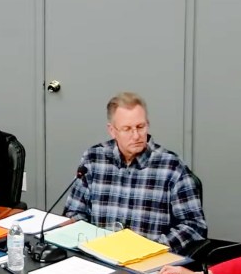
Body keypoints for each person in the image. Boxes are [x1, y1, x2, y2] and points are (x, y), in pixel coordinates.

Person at [62, 92, 206, 253]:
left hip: (148, 261)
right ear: (112, 130)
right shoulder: (94, 159)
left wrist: (155, 248)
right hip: (100, 256)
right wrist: (90, 241)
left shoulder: (170, 166)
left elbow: (194, 226)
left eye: (140, 127)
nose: (136, 135)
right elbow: (74, 212)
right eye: (127, 129)